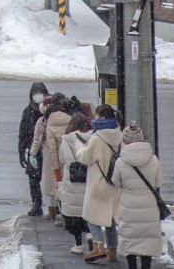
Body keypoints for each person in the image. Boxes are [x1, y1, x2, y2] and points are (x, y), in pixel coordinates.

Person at [111, 124, 165, 269]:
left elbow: (116, 182)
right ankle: (146, 266)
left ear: (125, 141)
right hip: (149, 204)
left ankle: (132, 266)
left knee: (130, 238)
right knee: (147, 239)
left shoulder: (120, 162)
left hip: (128, 204)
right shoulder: (153, 159)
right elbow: (159, 181)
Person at [82, 104, 123, 261]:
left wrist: (79, 148)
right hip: (113, 182)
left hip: (98, 182)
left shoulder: (97, 137)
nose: (95, 118)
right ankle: (113, 249)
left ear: (103, 117)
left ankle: (98, 246)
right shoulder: (118, 135)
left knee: (92, 215)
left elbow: (86, 157)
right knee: (110, 218)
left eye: (98, 115)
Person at [58, 112, 93, 252]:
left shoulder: (66, 140)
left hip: (72, 178)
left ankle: (78, 244)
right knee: (88, 210)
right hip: (88, 176)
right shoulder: (92, 138)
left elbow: (62, 158)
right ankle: (91, 233)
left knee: (73, 214)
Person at [16, 82, 50, 215]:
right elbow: (22, 133)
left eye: (40, 93)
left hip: (49, 149)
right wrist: (21, 151)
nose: (37, 96)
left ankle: (56, 207)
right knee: (33, 178)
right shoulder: (28, 111)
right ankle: (37, 204)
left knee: (53, 179)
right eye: (35, 93)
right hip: (33, 151)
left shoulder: (50, 110)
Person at [39, 94, 69, 218]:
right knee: (66, 185)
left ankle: (52, 211)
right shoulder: (70, 118)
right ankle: (65, 213)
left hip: (51, 158)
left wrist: (32, 153)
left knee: (52, 184)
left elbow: (49, 144)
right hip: (67, 156)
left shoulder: (47, 121)